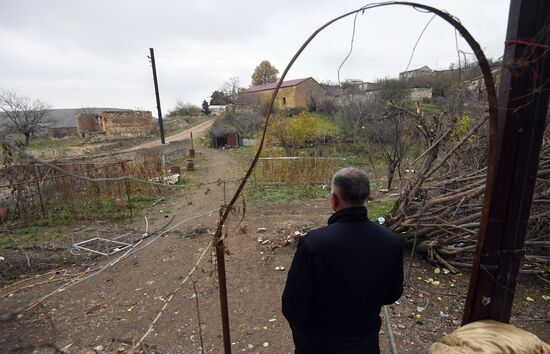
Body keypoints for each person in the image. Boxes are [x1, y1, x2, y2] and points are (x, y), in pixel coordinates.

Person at [282, 167, 404, 354]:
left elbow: (292, 306)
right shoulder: (392, 242)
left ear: (334, 200)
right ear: (367, 196)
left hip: (317, 347)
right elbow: (392, 294)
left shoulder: (314, 243)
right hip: (365, 345)